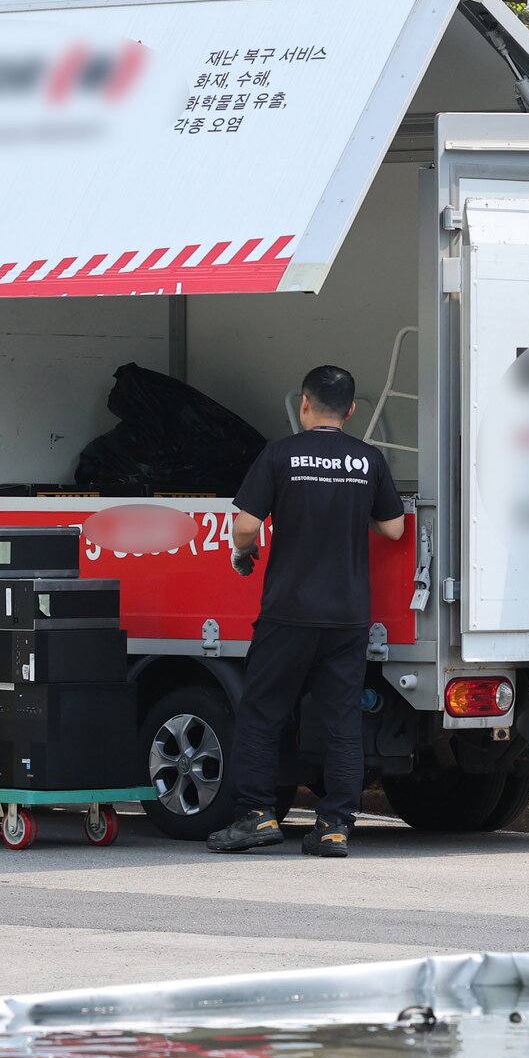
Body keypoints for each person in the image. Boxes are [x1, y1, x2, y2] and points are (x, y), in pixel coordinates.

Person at [207, 364, 404, 858]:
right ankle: (335, 826)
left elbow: (246, 525)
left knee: (261, 713)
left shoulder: (280, 454)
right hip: (347, 617)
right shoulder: (368, 459)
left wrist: (242, 552)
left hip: (288, 613)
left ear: (304, 403)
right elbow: (396, 529)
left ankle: (255, 815)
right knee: (341, 722)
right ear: (352, 410)